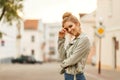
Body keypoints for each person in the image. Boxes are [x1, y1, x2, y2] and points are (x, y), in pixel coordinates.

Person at [58, 12, 90, 80]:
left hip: (76, 76)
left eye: (70, 26)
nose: (69, 30)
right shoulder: (73, 40)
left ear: (77, 23)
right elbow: (63, 57)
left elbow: (72, 60)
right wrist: (61, 39)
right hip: (68, 75)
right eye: (66, 29)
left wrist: (63, 65)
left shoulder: (84, 39)